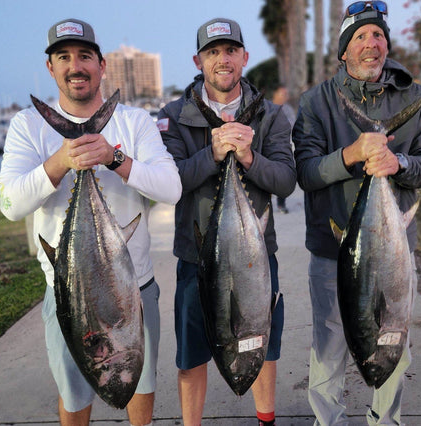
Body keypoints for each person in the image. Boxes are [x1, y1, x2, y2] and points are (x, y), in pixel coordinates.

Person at [0, 18, 182, 426]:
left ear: (101, 65)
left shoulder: (134, 122)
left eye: (84, 56)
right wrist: (61, 162)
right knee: (75, 390)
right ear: (50, 68)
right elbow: (9, 204)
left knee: (140, 383)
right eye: (63, 57)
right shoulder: (27, 125)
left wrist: (114, 158)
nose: (74, 66)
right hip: (68, 291)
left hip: (134, 288)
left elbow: (171, 189)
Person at [292, 2, 421, 425]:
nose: (372, 44)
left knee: (394, 340)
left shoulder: (415, 96)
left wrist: (400, 164)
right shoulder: (315, 103)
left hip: (392, 251)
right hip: (331, 250)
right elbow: (306, 172)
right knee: (329, 344)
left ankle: (384, 420)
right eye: (360, 37)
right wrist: (352, 154)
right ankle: (328, 421)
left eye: (378, 35)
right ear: (343, 51)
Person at [157, 17, 296, 426]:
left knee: (262, 343)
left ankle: (265, 419)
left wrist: (249, 158)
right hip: (195, 256)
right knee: (191, 352)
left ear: (245, 57)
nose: (223, 59)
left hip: (255, 256)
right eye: (213, 52)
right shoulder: (173, 116)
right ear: (198, 60)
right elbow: (169, 183)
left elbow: (286, 181)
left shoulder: (270, 116)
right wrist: (213, 155)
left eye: (231, 50)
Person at [272, 86, 296, 214]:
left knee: (283, 175)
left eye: (286, 94)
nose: (285, 96)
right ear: (275, 94)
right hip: (267, 147)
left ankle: (281, 204)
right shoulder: (266, 106)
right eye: (283, 93)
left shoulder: (288, 109)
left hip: (284, 146)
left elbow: (293, 124)